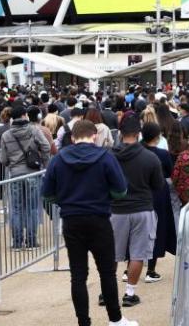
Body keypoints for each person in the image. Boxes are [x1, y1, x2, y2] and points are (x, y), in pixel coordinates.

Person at [41, 120, 137, 326]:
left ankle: (83, 322)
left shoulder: (58, 160)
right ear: (94, 135)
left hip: (71, 220)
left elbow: (47, 194)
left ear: (73, 137)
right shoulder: (106, 157)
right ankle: (115, 319)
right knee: (107, 272)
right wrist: (105, 197)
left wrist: (64, 200)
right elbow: (121, 190)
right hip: (99, 218)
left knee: (78, 275)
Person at [110, 115, 165, 308]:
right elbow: (158, 185)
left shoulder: (108, 156)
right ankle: (129, 293)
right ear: (138, 133)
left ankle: (106, 291)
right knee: (138, 254)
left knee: (111, 254)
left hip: (115, 210)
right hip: (142, 208)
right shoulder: (150, 157)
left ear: (119, 132)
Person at [0, 104, 51, 250]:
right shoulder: (34, 130)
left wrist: (13, 162)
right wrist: (43, 161)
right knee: (32, 208)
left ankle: (17, 242)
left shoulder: (6, 135)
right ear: (24, 115)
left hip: (15, 174)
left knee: (16, 208)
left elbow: (3, 159)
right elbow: (46, 147)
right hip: (33, 173)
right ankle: (31, 241)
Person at [140, 122, 176, 282]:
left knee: (136, 229)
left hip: (138, 192)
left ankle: (128, 269)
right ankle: (151, 269)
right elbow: (169, 171)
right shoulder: (162, 154)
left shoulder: (136, 152)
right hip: (158, 193)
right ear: (157, 136)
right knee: (157, 229)